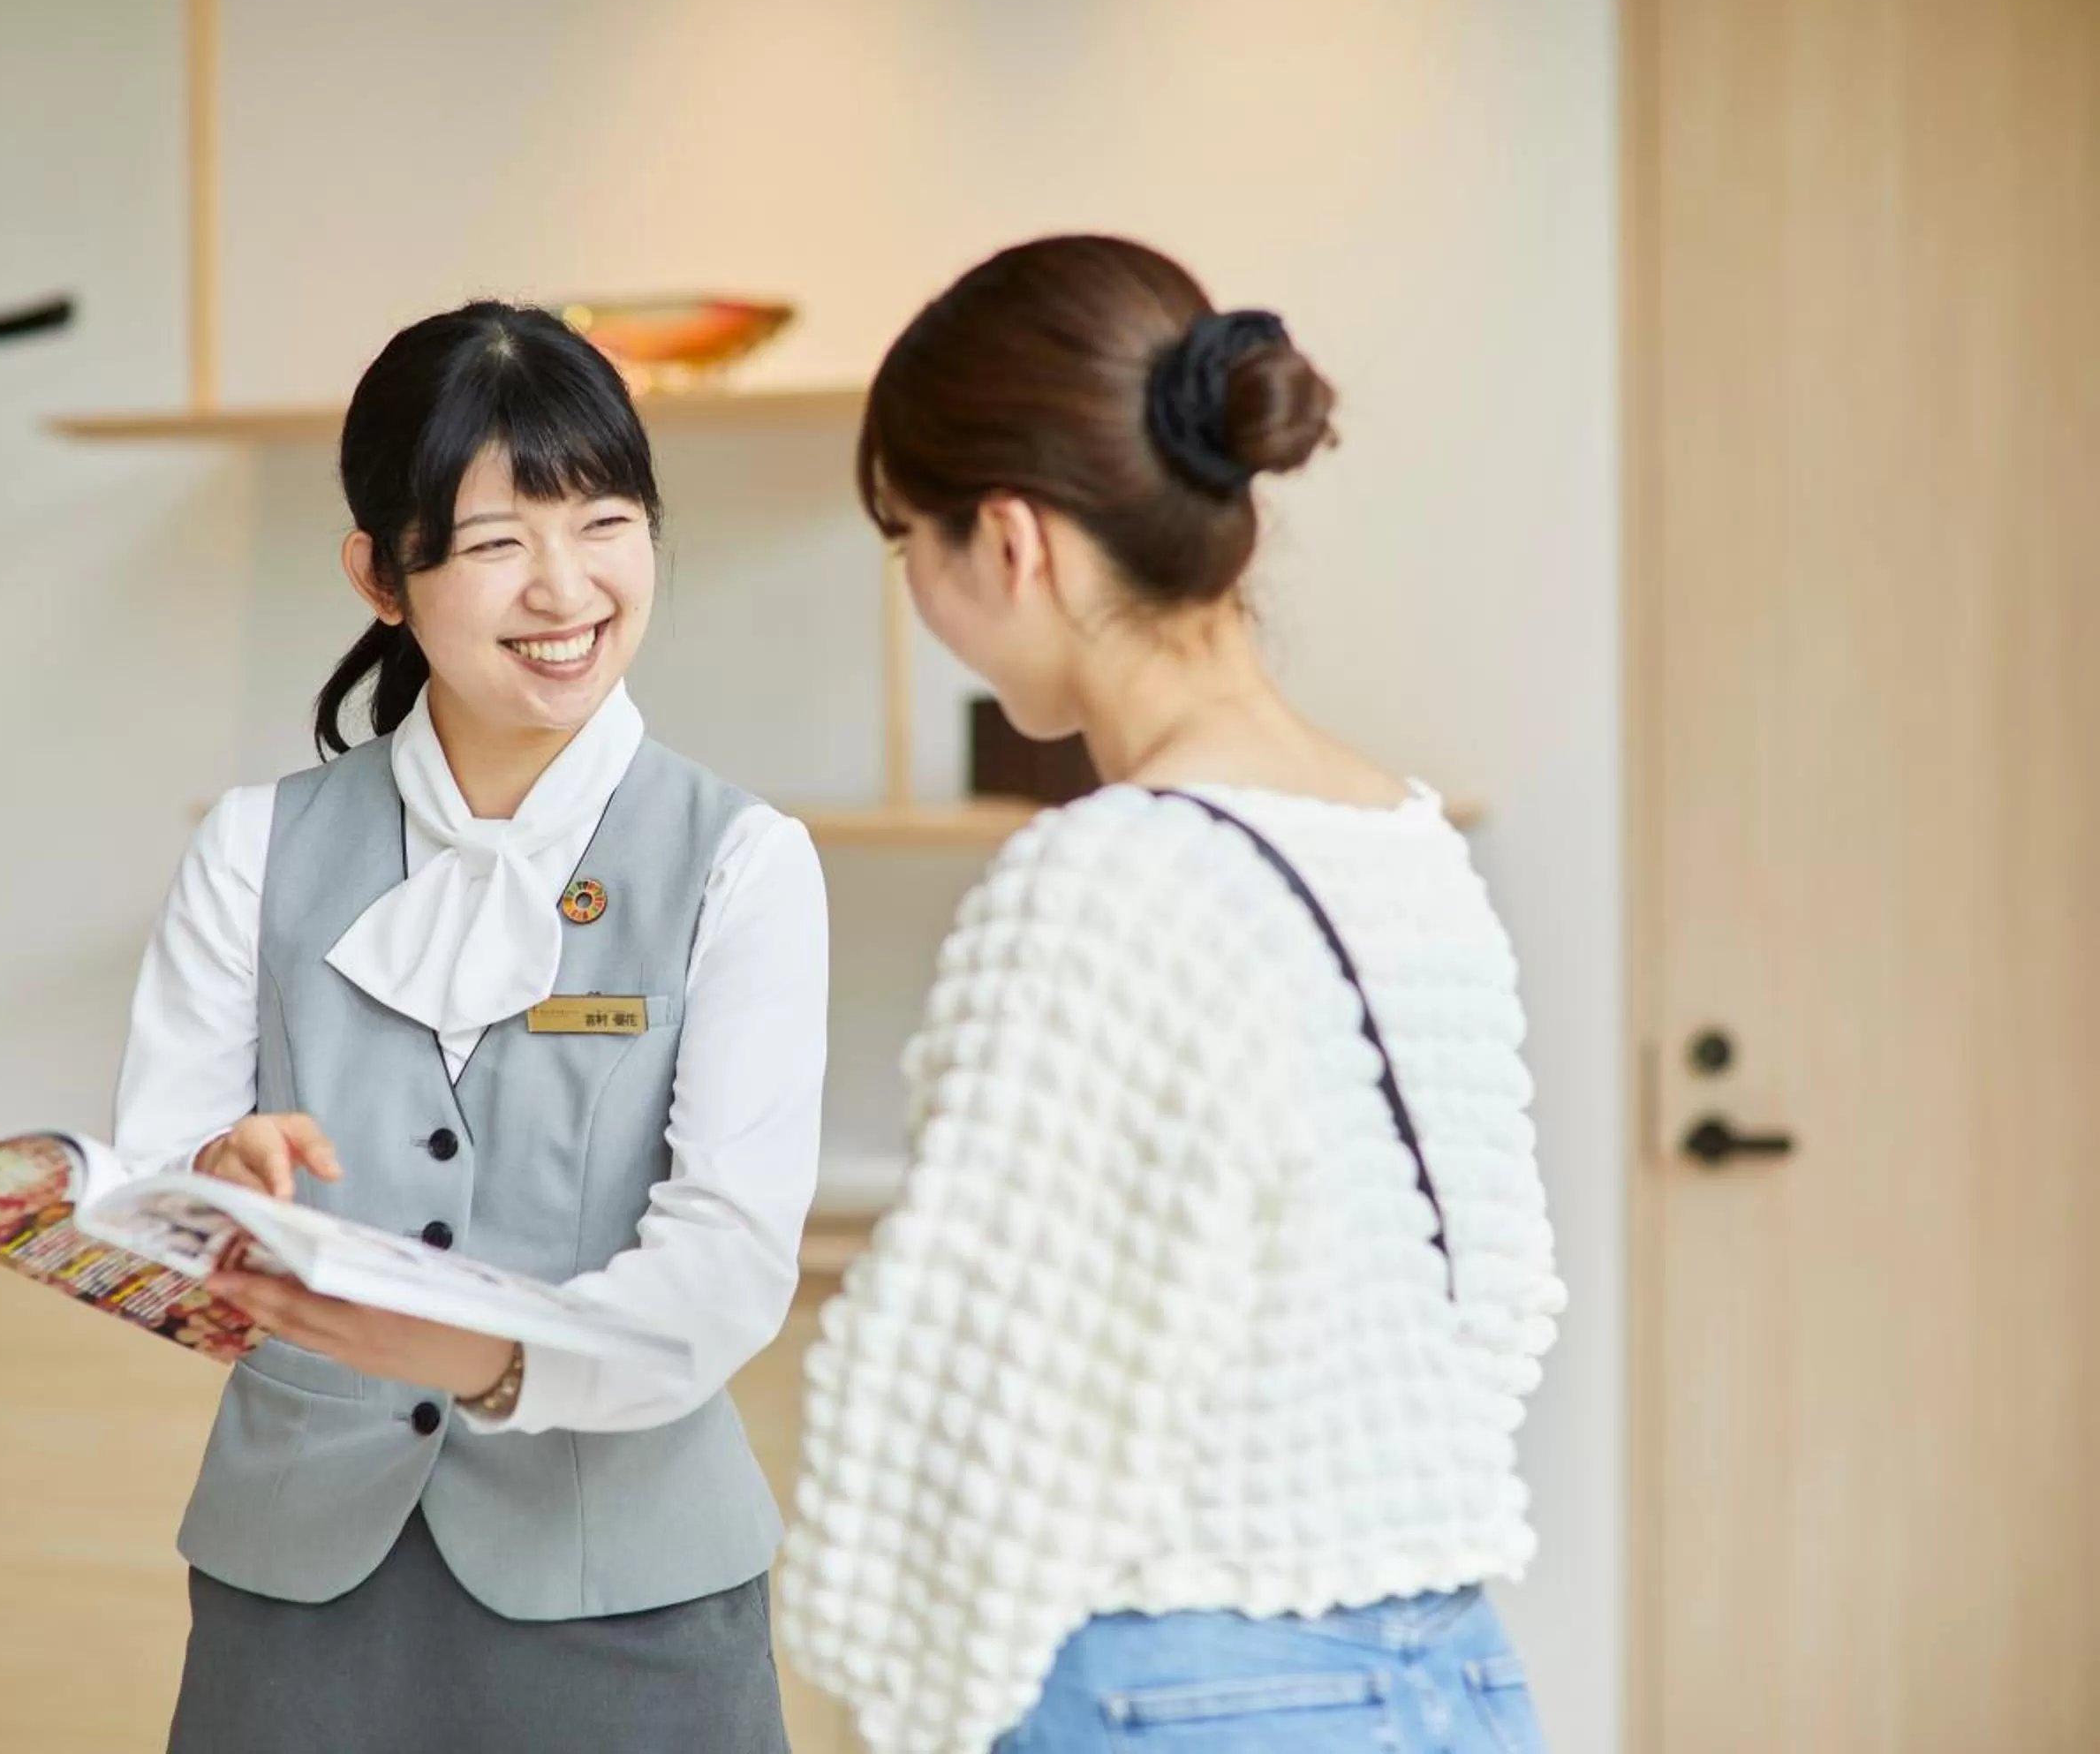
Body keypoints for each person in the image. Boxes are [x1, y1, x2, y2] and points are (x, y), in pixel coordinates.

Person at [779, 235, 1566, 1753]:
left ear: (1010, 542)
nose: (920, 598)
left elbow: (967, 1390)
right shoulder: (1408, 850)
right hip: (1456, 1675)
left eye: (908, 546)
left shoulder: (1100, 882)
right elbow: (1501, 1295)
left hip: (1176, 1682)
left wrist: (902, 1683)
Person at [111, 299, 827, 1752]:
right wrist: (211, 1188)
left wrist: (492, 1364)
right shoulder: (254, 848)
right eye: (498, 541)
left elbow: (730, 1265)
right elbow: (146, 1208)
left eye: (606, 523)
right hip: (297, 1599)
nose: (565, 589)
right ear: (381, 573)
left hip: (630, 1612)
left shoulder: (744, 861)